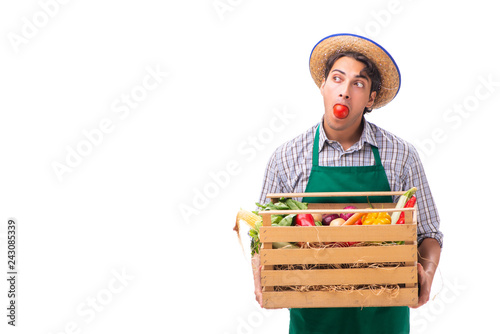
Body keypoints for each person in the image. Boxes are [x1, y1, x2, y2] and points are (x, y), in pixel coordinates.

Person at [252, 33, 443, 334]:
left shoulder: (401, 155)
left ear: (370, 99)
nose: (344, 92)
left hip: (384, 320)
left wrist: (427, 274)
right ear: (322, 86)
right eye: (337, 79)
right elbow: (261, 235)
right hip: (313, 322)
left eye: (358, 83)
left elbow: (429, 233)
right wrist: (261, 277)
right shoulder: (287, 157)